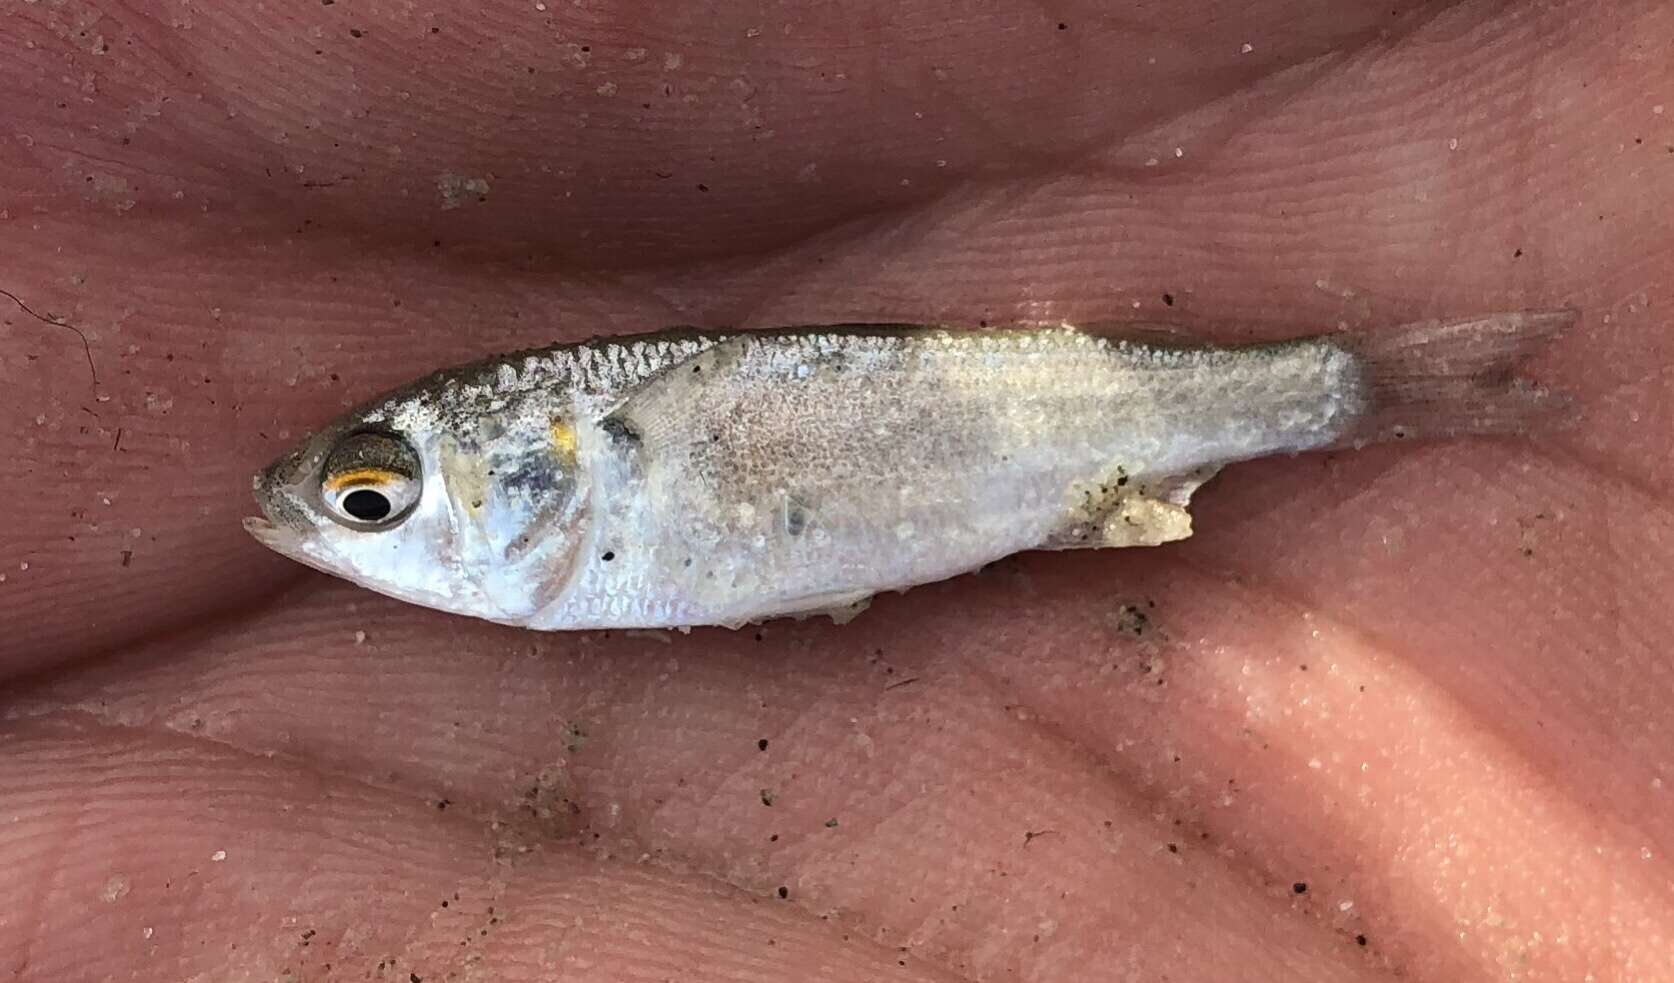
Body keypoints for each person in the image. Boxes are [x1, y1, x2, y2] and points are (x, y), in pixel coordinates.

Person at [2, 1, 1668, 979]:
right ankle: (1366, 392)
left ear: (543, 461)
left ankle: (1354, 391)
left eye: (373, 498)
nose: (350, 525)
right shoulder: (587, 500)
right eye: (372, 500)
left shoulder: (599, 492)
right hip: (962, 456)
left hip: (1018, 432)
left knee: (1298, 397)